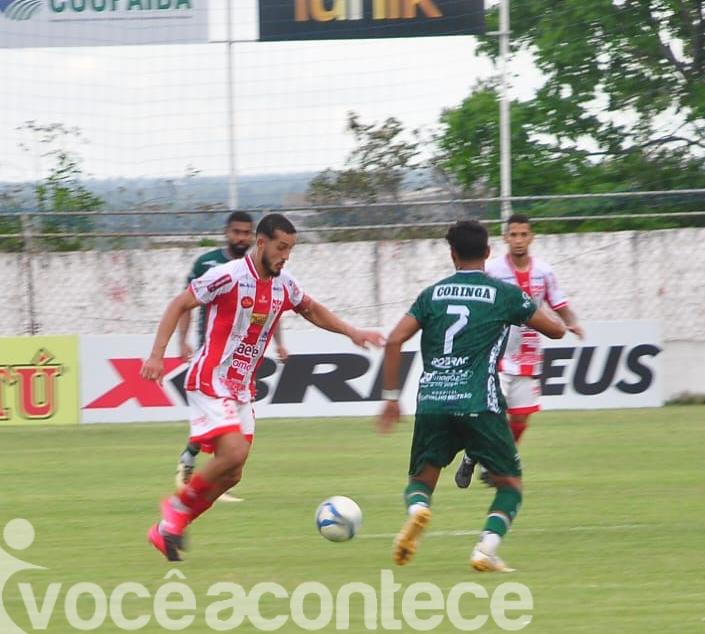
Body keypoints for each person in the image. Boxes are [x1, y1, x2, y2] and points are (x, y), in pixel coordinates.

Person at [141, 212, 382, 562]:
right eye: (281, 247)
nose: (286, 256)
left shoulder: (284, 284)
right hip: (211, 378)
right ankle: (175, 508)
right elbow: (180, 303)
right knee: (233, 453)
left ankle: (167, 529)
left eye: (291, 249)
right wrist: (157, 355)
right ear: (261, 242)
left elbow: (311, 309)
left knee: (232, 474)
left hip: (241, 388)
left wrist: (352, 332)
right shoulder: (228, 275)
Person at [376, 220, 565, 573]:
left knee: (420, 482)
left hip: (433, 401)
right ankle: (485, 549)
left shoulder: (431, 295)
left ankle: (419, 511)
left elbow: (394, 340)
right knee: (510, 485)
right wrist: (536, 312)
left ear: (452, 255)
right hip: (480, 402)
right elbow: (555, 331)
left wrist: (390, 397)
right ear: (488, 252)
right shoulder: (504, 294)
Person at [454, 213, 582, 489]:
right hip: (497, 355)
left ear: (531, 237)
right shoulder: (493, 270)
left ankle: (487, 461)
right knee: (491, 414)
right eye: (514, 235)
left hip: (528, 357)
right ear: (506, 238)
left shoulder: (545, 272)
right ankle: (478, 457)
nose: (519, 240)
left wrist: (572, 322)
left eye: (524, 234)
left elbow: (559, 304)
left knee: (520, 417)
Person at [171, 210, 290, 502]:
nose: (241, 237)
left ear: (254, 237)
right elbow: (185, 302)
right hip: (212, 352)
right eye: (236, 232)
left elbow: (270, 311)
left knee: (229, 431)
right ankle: (194, 477)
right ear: (227, 233)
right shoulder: (210, 264)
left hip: (240, 363)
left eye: (246, 232)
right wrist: (182, 340)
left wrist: (279, 344)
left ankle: (196, 463)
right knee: (224, 427)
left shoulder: (264, 270)